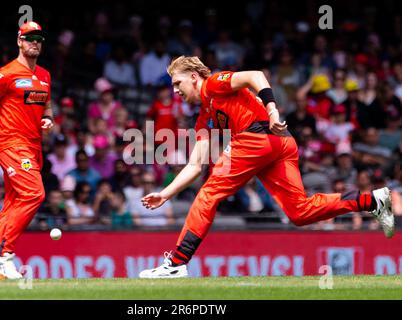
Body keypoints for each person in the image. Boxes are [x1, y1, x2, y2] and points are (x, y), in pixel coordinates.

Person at [139, 56, 394, 278]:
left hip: (257, 138)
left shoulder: (214, 83)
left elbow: (255, 75)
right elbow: (195, 165)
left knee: (209, 193)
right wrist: (165, 193)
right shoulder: (205, 116)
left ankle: (176, 263)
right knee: (299, 212)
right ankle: (373, 201)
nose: (175, 90)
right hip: (280, 143)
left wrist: (272, 109)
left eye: (177, 83)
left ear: (194, 77)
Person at [0, 22, 53, 280]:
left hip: (33, 146)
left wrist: (48, 119)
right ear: (19, 42)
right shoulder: (6, 73)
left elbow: (47, 106)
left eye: (38, 39)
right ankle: (3, 255)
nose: (34, 43)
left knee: (13, 204)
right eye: (29, 39)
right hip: (11, 144)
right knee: (34, 194)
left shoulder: (46, 75)